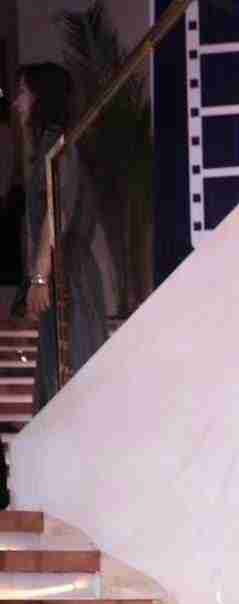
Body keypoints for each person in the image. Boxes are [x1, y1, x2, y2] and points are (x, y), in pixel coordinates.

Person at [12, 61, 108, 409]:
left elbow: (58, 211)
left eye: (23, 92)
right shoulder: (50, 145)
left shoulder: (57, 144)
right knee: (60, 378)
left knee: (71, 377)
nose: (17, 102)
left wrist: (40, 276)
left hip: (67, 276)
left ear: (41, 97)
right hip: (63, 272)